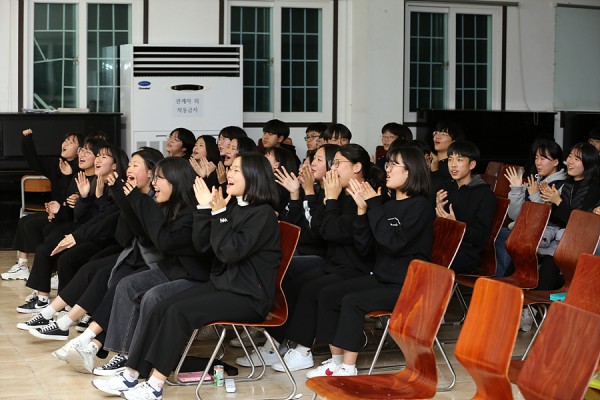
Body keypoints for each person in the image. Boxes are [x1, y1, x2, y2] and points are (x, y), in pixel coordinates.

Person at [91, 153, 281, 400]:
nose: (229, 174)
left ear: (254, 177)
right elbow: (203, 245)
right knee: (160, 306)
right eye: (231, 169)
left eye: (236, 170)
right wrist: (203, 209)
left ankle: (155, 386)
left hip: (249, 298)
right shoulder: (234, 207)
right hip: (223, 287)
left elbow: (229, 252)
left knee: (178, 313)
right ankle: (131, 374)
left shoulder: (263, 214)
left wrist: (219, 214)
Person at [304, 146, 434, 377]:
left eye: (394, 164)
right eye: (388, 164)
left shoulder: (420, 206)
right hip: (382, 278)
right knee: (328, 294)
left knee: (353, 301)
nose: (388, 169)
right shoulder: (385, 205)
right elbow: (366, 247)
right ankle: (335, 362)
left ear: (411, 171)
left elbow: (393, 243)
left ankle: (349, 367)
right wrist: (363, 211)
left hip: (407, 285)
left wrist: (373, 206)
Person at [268, 144, 384, 373]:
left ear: (357, 167)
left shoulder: (365, 195)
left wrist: (330, 199)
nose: (333, 168)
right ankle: (284, 344)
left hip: (358, 269)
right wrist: (327, 198)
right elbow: (319, 228)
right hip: (336, 264)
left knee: (313, 290)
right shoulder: (339, 193)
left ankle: (304, 350)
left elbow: (334, 233)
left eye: (338, 163)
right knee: (292, 284)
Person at [2, 128, 83, 280]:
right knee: (25, 221)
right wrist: (27, 141)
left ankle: (54, 270)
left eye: (71, 142)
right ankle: (22, 266)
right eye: (65, 140)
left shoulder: (80, 169)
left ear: (80, 150)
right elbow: (34, 161)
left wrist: (67, 177)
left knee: (36, 225)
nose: (65, 144)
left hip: (68, 215)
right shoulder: (57, 163)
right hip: (56, 212)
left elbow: (71, 198)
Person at [495, 139, 566, 277]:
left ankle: (505, 280)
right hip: (525, 228)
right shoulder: (536, 181)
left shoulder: (560, 185)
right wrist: (516, 189)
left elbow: (545, 218)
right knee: (501, 233)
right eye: (536, 158)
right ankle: (504, 280)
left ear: (556, 162)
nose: (538, 162)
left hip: (543, 234)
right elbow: (515, 215)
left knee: (505, 236)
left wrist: (534, 195)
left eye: (543, 158)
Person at [535, 142, 600, 290]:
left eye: (577, 159)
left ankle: (539, 301)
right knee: (527, 253)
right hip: (561, 238)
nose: (570, 161)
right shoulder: (566, 185)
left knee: (550, 262)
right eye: (570, 156)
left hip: (580, 241)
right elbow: (557, 220)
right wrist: (549, 203)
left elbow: (581, 223)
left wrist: (558, 202)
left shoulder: (594, 189)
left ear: (589, 163)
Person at [435, 140, 496, 274]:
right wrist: (437, 209)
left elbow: (480, 237)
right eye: (450, 159)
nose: (453, 164)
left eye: (459, 160)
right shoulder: (445, 187)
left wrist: (457, 225)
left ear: (472, 164)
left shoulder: (485, 195)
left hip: (466, 253)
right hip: (442, 244)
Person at [430, 120, 464, 188]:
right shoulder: (428, 160)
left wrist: (435, 170)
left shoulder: (454, 166)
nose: (437, 136)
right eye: (436, 133)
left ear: (453, 141)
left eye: (444, 134)